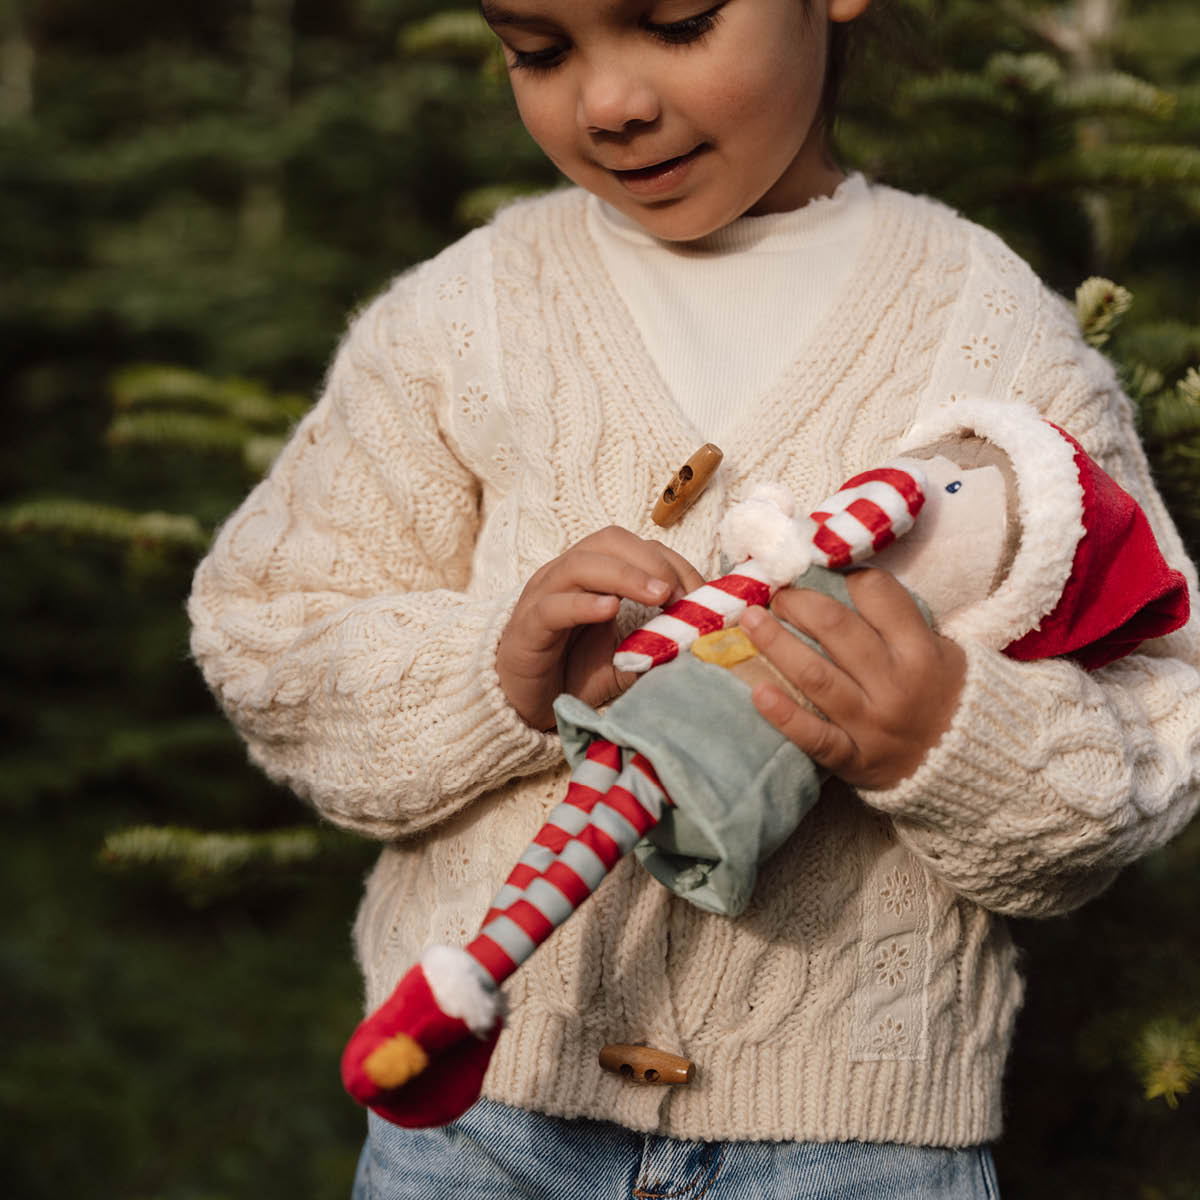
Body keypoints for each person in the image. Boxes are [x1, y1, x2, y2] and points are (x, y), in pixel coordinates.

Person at [187, 1, 1200, 1196]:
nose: (607, 101)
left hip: (852, 1148)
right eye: (540, 51)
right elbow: (271, 630)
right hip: (482, 1127)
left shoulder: (989, 328)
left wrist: (947, 735)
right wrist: (495, 674)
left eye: (674, 22)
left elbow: (1157, 714)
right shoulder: (469, 317)